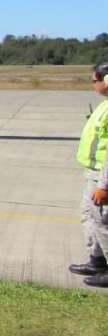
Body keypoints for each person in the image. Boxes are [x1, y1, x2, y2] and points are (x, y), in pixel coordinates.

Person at [70, 62, 108, 287]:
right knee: (89, 216)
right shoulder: (105, 104)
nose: (93, 84)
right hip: (93, 172)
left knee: (103, 222)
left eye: (95, 80)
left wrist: (104, 185)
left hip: (102, 176)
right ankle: (97, 260)